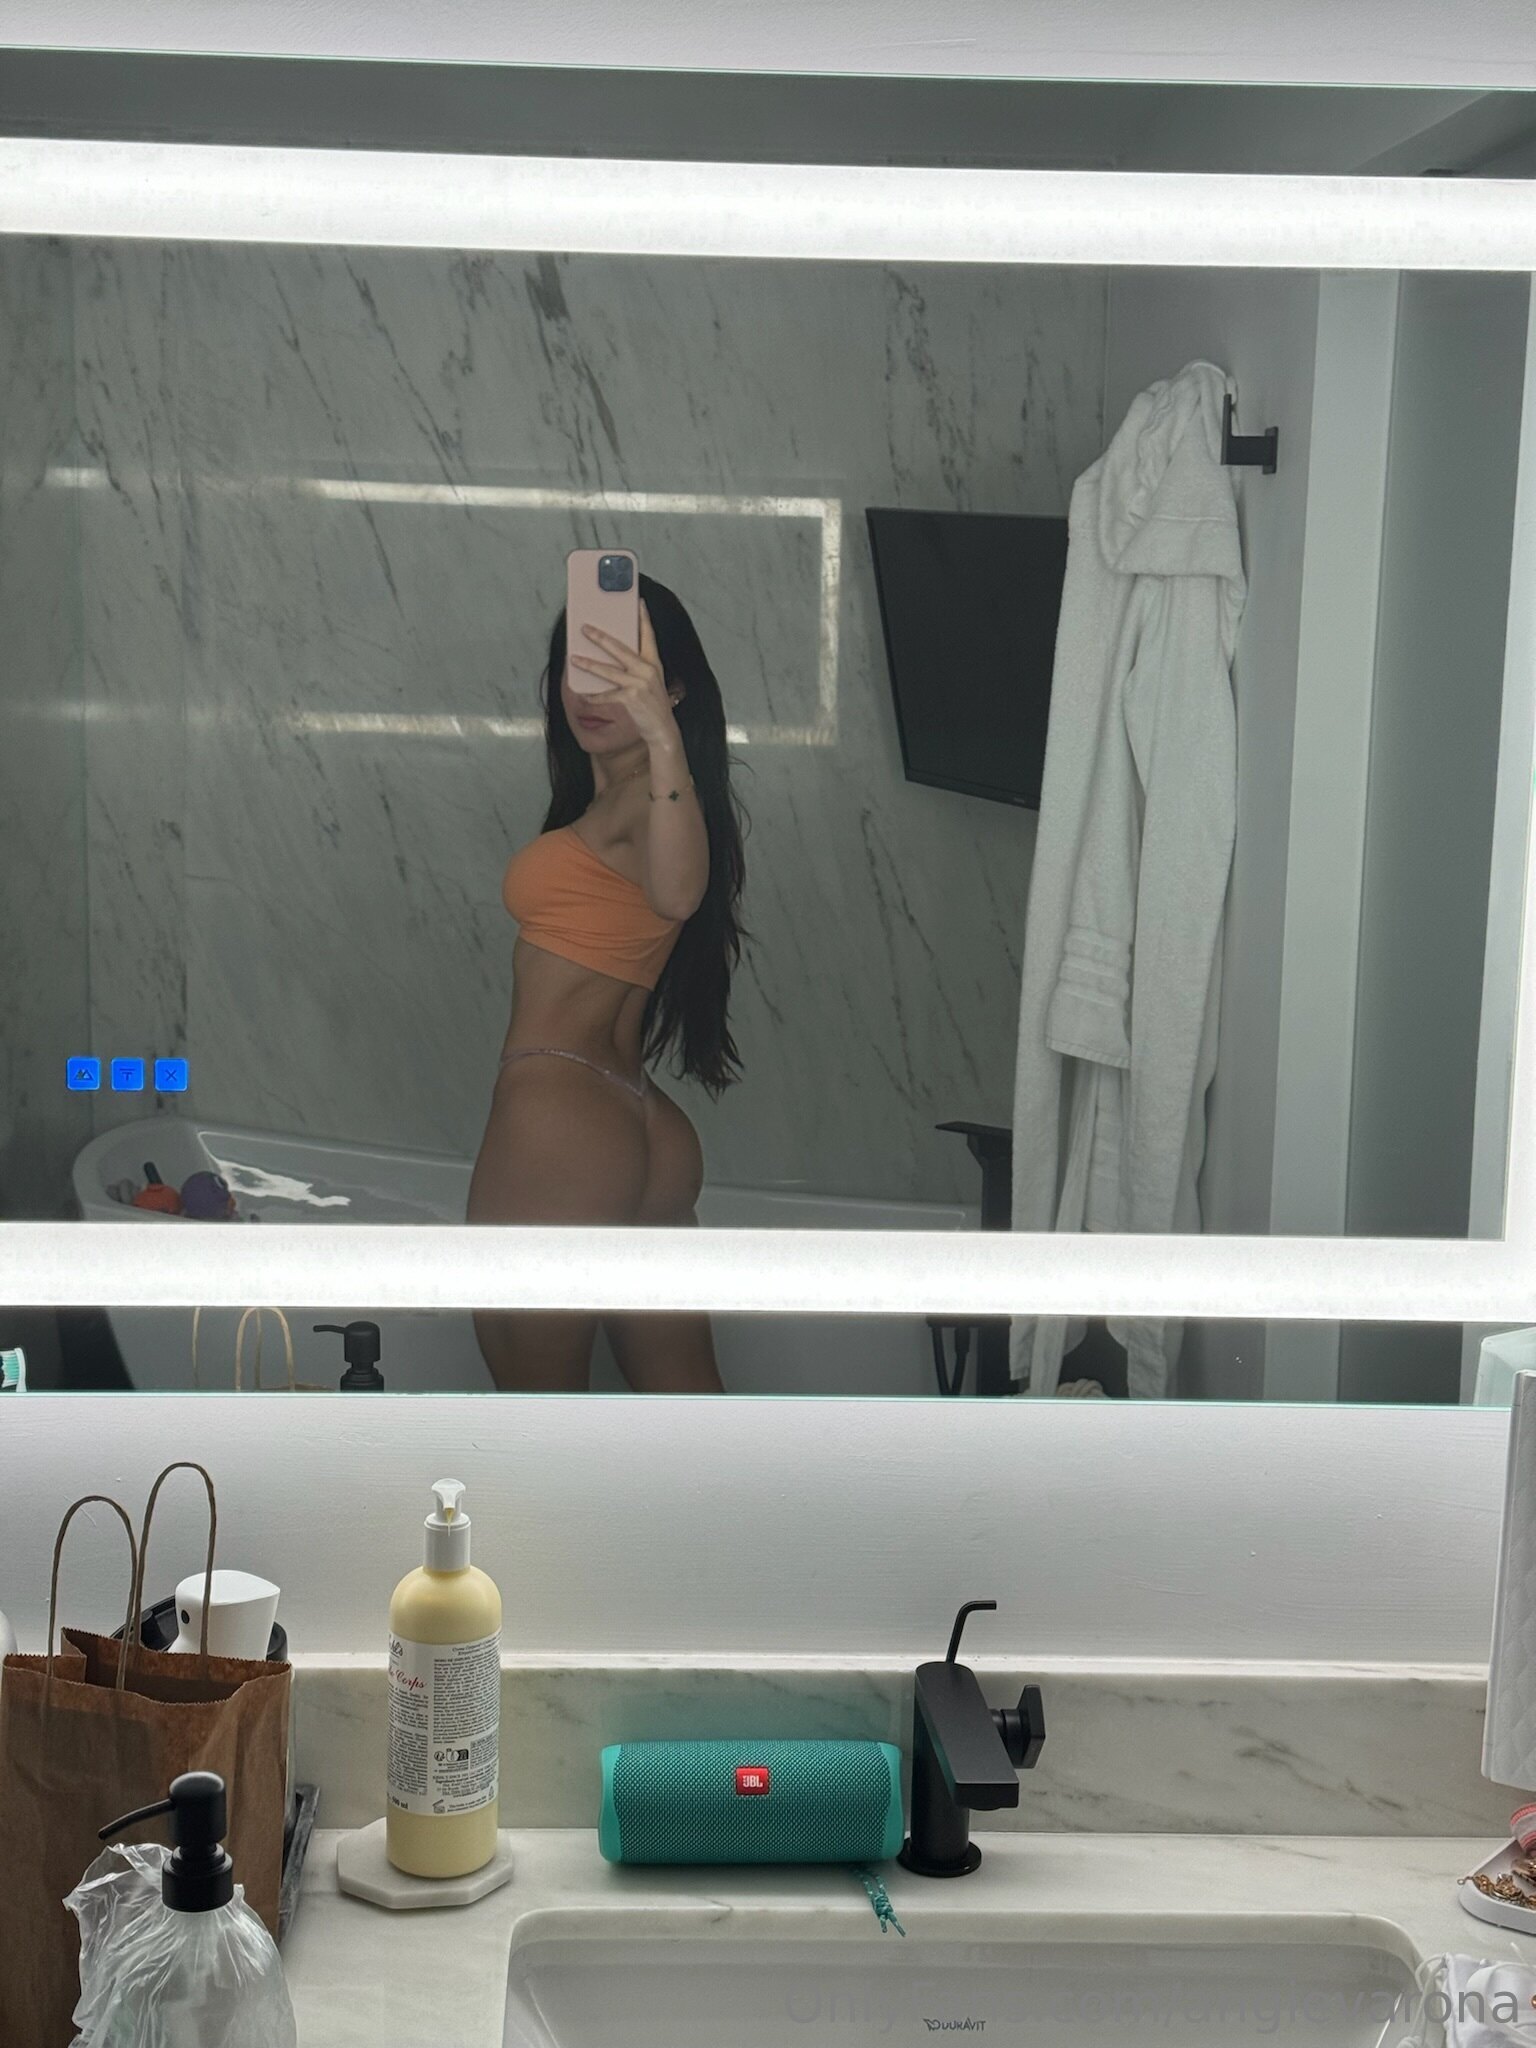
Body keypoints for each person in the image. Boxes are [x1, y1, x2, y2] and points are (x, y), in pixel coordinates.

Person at [467, 572, 747, 1391]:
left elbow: (680, 893)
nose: (591, 695)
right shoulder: (619, 804)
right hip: (637, 1127)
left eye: (624, 675)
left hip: (562, 1123)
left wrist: (661, 738)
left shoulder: (649, 805)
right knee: (693, 1421)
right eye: (580, 668)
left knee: (541, 1421)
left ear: (673, 690)